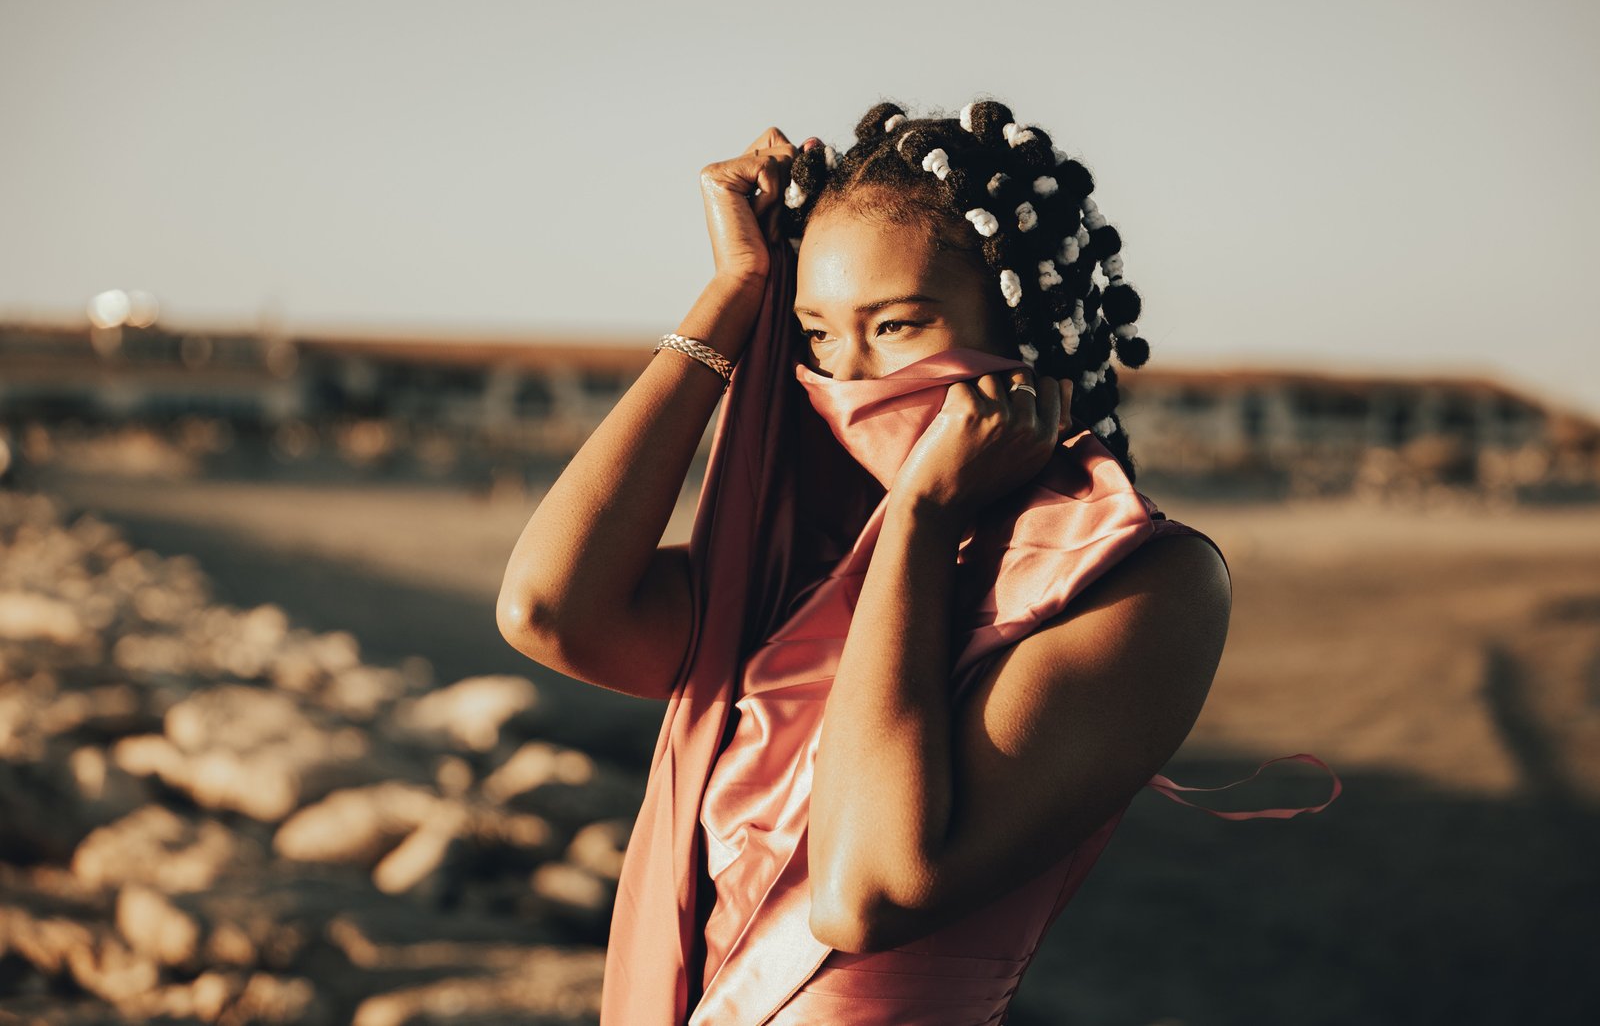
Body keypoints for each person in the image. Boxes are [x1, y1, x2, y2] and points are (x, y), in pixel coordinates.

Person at [497, 100, 1340, 1025]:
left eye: (896, 326)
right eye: (818, 335)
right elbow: (549, 610)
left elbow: (864, 893)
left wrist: (923, 517)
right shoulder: (810, 566)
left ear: (1020, 330)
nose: (850, 380)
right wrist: (734, 292)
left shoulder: (1141, 582)